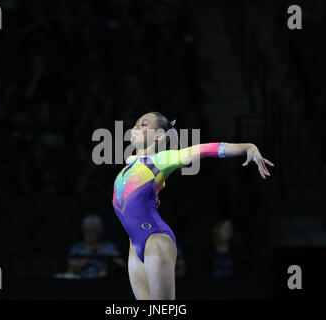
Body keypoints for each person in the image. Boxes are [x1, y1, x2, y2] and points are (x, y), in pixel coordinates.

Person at [112, 112, 274, 300]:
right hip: (134, 244)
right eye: (137, 123)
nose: (136, 127)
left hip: (155, 240)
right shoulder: (130, 162)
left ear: (159, 136)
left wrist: (248, 147)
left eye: (144, 124)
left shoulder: (162, 160)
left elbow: (204, 150)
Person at [67, 214, 124, 279]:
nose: (89, 233)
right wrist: (88, 258)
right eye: (86, 229)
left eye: (93, 230)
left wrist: (108, 262)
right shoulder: (77, 248)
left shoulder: (109, 247)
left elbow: (122, 264)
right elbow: (70, 270)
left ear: (99, 231)